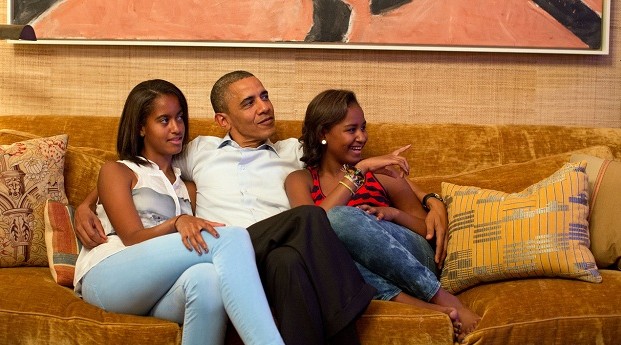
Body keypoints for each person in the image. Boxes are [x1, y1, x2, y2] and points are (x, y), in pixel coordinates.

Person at [74, 72, 376, 345]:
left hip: (252, 262)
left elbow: (343, 145)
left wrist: (424, 198)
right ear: (223, 120)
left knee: (225, 276)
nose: (264, 107)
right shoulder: (197, 151)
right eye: (249, 102)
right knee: (257, 231)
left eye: (265, 96)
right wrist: (84, 206)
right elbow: (127, 174)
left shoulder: (289, 152)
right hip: (145, 262)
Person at [72, 79, 285, 345]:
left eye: (180, 118)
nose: (177, 128)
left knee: (207, 280)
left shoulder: (186, 186)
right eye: (164, 120)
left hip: (157, 286)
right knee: (232, 237)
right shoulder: (119, 171)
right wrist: (178, 221)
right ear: (140, 127)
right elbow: (132, 238)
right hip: (109, 275)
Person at [284, 89, 481, 341]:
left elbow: (426, 232)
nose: (362, 137)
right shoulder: (300, 180)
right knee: (324, 250)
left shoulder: (382, 174)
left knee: (342, 218)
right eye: (351, 129)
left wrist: (393, 214)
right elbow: (310, 229)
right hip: (356, 271)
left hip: (413, 259)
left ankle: (441, 295)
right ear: (323, 133)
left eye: (363, 128)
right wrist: (358, 172)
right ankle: (421, 307)